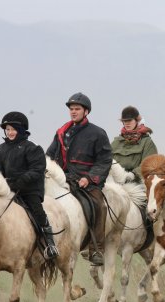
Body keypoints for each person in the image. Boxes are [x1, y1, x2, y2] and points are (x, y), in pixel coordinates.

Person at [0, 112, 59, 260]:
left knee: (37, 210)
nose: (9, 132)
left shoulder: (33, 148)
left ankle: (49, 244)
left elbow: (36, 170)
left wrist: (18, 182)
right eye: (7, 129)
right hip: (7, 191)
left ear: (21, 130)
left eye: (13, 129)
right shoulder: (1, 149)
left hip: (29, 191)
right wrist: (0, 183)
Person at [46, 92, 112, 266]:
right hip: (61, 179)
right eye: (71, 109)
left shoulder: (97, 133)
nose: (73, 112)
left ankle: (96, 249)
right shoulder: (61, 132)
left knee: (99, 205)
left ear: (86, 111)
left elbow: (104, 160)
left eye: (77, 109)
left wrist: (89, 179)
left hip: (86, 182)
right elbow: (50, 155)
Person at [111, 106, 158, 182]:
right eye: (124, 121)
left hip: (137, 182)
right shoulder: (116, 142)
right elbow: (105, 160)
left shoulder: (147, 142)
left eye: (130, 120)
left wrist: (133, 175)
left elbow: (150, 164)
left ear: (136, 121)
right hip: (116, 181)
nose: (127, 123)